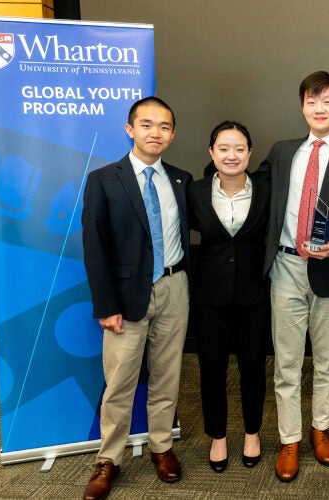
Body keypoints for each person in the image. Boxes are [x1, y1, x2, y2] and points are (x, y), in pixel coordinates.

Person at [256, 71, 329, 482]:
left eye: (327, 102)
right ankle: (289, 439)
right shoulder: (283, 152)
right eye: (311, 101)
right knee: (286, 363)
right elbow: (256, 193)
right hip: (286, 267)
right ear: (302, 106)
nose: (318, 109)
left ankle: (320, 428)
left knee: (326, 361)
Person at [81, 96, 192, 500]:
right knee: (120, 380)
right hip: (126, 297)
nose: (155, 132)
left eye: (164, 126)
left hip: (174, 287)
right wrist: (105, 304)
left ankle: (162, 446)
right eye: (146, 125)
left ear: (173, 134)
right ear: (130, 130)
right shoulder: (104, 179)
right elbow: (95, 246)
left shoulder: (180, 178)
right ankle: (108, 457)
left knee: (167, 375)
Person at [187, 121, 270, 473]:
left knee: (254, 367)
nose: (231, 155)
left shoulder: (267, 190)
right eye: (223, 148)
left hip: (254, 294)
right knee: (212, 369)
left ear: (250, 153)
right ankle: (217, 436)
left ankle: (252, 433)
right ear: (211, 152)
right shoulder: (194, 192)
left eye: (239, 149)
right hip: (210, 295)